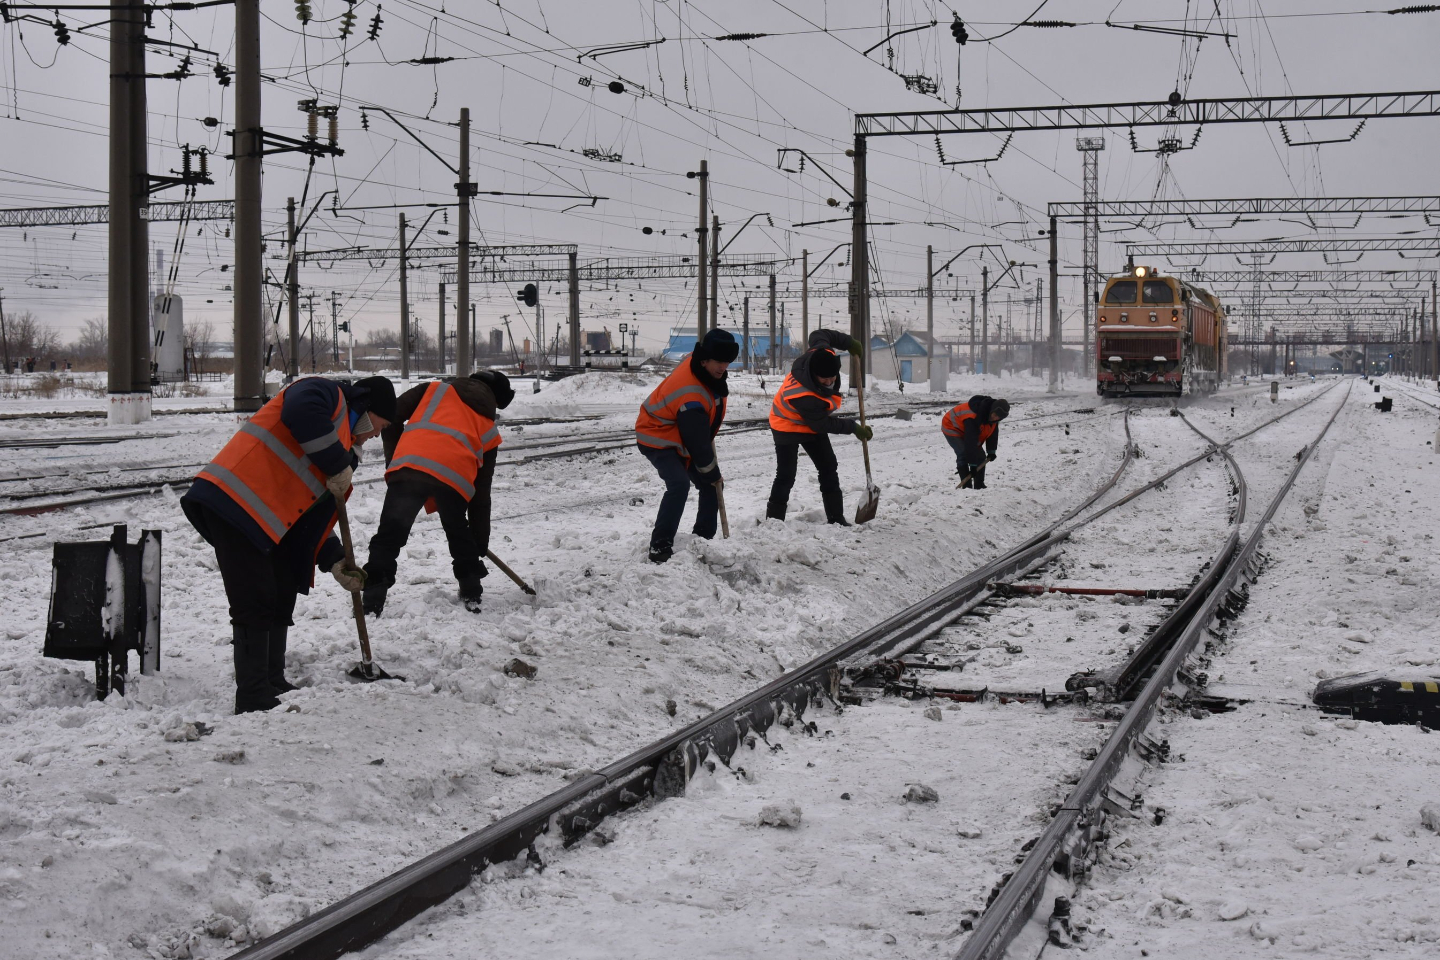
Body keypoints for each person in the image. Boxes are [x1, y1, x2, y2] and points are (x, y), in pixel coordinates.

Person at [182, 375, 396, 714]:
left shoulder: (341, 446)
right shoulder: (324, 394)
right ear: (369, 410)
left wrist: (335, 559)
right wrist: (337, 463)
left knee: (283, 587)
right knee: (255, 597)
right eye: (380, 427)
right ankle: (252, 695)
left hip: (267, 519)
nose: (374, 437)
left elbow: (308, 517)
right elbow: (301, 409)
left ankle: (272, 679)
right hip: (233, 501)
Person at [361, 370, 514, 616]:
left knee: (390, 532)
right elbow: (480, 499)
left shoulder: (432, 390)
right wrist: (479, 542)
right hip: (453, 481)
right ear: (495, 400)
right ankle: (471, 589)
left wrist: (397, 461)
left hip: (410, 467)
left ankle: (372, 598)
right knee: (458, 532)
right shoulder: (489, 431)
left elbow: (390, 418)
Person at [634, 328, 738, 563]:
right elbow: (697, 442)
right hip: (656, 434)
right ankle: (659, 546)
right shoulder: (691, 394)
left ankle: (704, 539)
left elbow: (698, 433)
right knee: (680, 484)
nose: (723, 367)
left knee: (710, 484)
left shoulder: (702, 369)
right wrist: (711, 471)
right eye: (719, 362)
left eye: (727, 362)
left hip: (679, 433)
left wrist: (711, 474)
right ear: (704, 360)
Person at [766, 329, 871, 525]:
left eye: (833, 378)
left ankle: (836, 518)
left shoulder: (822, 352)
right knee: (786, 474)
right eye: (825, 380)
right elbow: (822, 423)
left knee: (828, 466)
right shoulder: (805, 395)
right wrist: (853, 428)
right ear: (814, 374)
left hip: (811, 422)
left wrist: (848, 342)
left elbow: (820, 334)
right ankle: (773, 522)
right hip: (785, 424)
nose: (830, 383)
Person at [942, 395, 1010, 489]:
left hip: (968, 430)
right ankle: (966, 486)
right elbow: (971, 441)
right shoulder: (974, 416)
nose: (995, 418)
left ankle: (979, 485)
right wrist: (973, 465)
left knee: (981, 456)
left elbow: (992, 434)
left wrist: (991, 451)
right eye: (994, 415)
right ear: (992, 409)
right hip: (952, 427)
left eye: (998, 418)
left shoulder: (994, 418)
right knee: (963, 453)